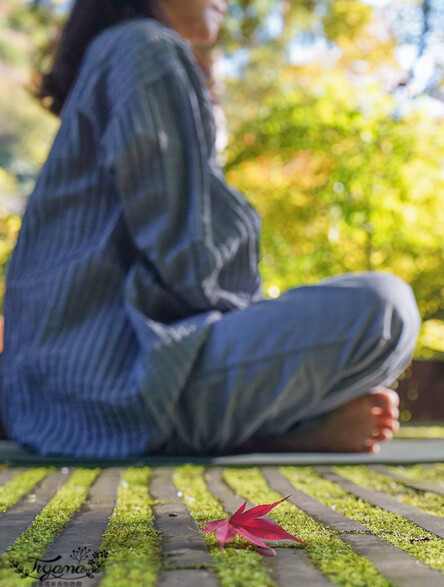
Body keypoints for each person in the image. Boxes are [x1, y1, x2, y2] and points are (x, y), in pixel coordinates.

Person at [0, 0, 420, 459]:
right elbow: (196, 262)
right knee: (386, 311)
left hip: (54, 396)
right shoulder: (146, 48)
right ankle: (277, 430)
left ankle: (280, 424)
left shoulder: (119, 51)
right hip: (115, 391)